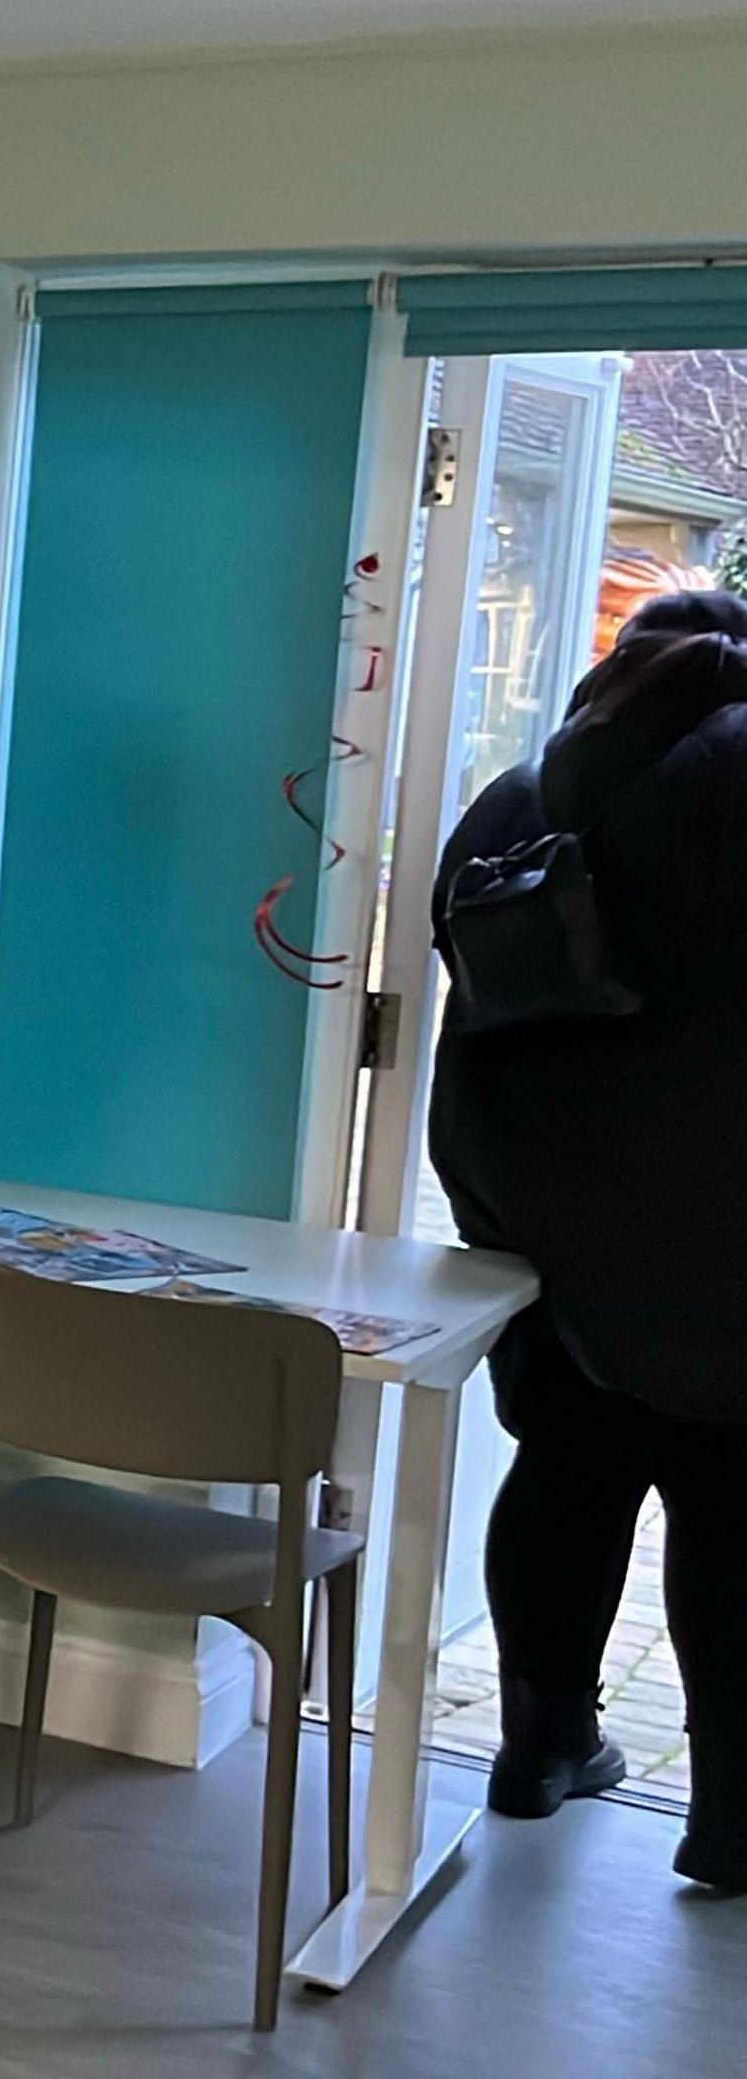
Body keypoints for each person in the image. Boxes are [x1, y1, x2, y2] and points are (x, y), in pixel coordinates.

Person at [429, 590, 747, 1894]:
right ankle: (731, 1818)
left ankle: (540, 1747)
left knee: (564, 1475)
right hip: (724, 1239)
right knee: (732, 1522)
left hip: (538, 1221)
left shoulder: (524, 789)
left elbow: (463, 961)